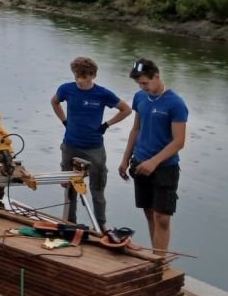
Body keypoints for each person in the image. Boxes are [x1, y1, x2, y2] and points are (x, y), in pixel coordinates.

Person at [119, 58, 188, 255]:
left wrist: (154, 161)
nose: (142, 87)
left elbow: (179, 141)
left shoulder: (175, 103)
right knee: (149, 212)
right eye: (139, 83)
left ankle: (159, 261)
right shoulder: (140, 97)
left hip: (165, 167)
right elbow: (136, 129)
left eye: (145, 83)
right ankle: (155, 255)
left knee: (162, 217)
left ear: (156, 76)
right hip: (140, 162)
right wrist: (125, 159)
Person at [51, 56, 131, 227]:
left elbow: (126, 109)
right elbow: (55, 101)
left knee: (97, 190)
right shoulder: (66, 89)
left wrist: (107, 125)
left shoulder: (102, 94)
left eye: (84, 76)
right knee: (69, 187)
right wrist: (64, 121)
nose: (79, 80)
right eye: (76, 76)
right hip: (70, 145)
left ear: (93, 75)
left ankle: (100, 226)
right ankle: (70, 223)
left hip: (94, 147)